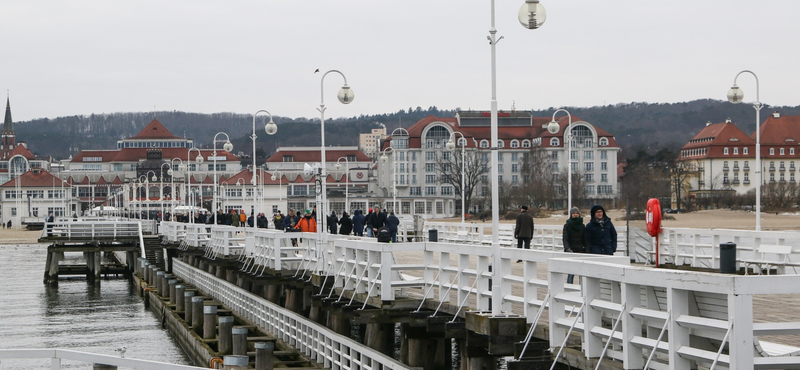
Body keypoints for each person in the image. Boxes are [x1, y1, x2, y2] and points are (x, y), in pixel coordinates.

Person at [562, 207, 586, 284]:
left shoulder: (582, 226)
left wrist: (586, 249)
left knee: (582, 272)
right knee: (571, 272)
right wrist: (567, 248)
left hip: (581, 250)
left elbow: (585, 238)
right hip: (571, 251)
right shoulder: (567, 225)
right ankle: (569, 288)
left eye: (577, 213)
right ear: (571, 214)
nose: (575, 215)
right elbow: (565, 238)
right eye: (574, 213)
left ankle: (582, 289)